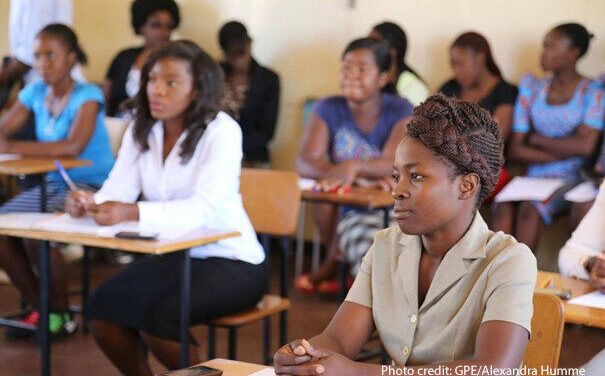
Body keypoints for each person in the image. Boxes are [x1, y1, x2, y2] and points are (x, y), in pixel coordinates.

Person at [275, 94, 536, 375]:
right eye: (397, 176)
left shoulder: (508, 260)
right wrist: (307, 355)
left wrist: (360, 373)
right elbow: (338, 339)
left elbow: (493, 369)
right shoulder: (386, 246)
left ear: (466, 186)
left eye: (417, 176)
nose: (397, 190)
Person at [67, 41, 266, 375]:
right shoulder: (142, 128)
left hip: (232, 260)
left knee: (156, 315)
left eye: (171, 82)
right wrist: (90, 203)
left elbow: (204, 208)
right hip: (175, 254)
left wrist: (132, 212)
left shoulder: (222, 131)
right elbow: (120, 188)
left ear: (198, 88)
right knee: (101, 309)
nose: (157, 90)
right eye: (152, 80)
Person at [0, 23, 114, 338]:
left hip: (91, 187)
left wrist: (11, 147)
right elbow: (4, 129)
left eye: (51, 56)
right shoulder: (36, 91)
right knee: (3, 228)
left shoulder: (87, 95)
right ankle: (47, 309)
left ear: (71, 58)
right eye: (37, 57)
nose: (42, 65)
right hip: (52, 186)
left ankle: (59, 316)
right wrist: (7, 143)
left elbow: (73, 146)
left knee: (38, 235)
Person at [295, 37, 413, 293]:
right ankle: (339, 265)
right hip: (350, 206)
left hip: (386, 206)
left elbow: (394, 162)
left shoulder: (400, 108)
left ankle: (340, 268)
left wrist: (353, 168)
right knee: (329, 197)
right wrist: (354, 176)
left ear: (383, 78)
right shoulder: (329, 107)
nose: (350, 75)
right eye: (346, 67)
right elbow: (305, 161)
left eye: (361, 69)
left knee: (396, 255)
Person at [491, 23, 604, 251]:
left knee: (531, 207)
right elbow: (515, 149)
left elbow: (586, 148)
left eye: (550, 47)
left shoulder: (593, 92)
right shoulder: (532, 89)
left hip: (574, 176)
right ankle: (498, 277)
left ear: (573, 53)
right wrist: (568, 146)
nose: (543, 54)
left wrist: (535, 138)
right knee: (504, 203)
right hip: (533, 177)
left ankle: (522, 278)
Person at [439, 31, 518, 202]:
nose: (456, 71)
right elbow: (433, 131)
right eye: (453, 65)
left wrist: (452, 134)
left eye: (460, 64)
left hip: (487, 169)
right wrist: (478, 131)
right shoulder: (449, 88)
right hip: (446, 166)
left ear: (481, 57)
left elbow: (494, 142)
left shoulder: (504, 92)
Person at [218, 21, 280, 167]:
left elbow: (267, 132)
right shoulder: (214, 76)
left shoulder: (268, 80)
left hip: (253, 159)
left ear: (250, 43)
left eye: (242, 53)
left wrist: (233, 145)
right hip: (216, 154)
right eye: (233, 55)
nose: (239, 61)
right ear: (225, 53)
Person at [103, 0, 180, 117]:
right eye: (156, 25)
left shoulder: (177, 61)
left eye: (169, 26)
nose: (163, 32)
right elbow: (107, 98)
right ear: (141, 26)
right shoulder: (123, 58)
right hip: (118, 126)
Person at [369, 21, 428, 106]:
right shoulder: (371, 77)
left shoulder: (414, 87)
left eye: (373, 43)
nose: (367, 48)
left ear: (392, 51)